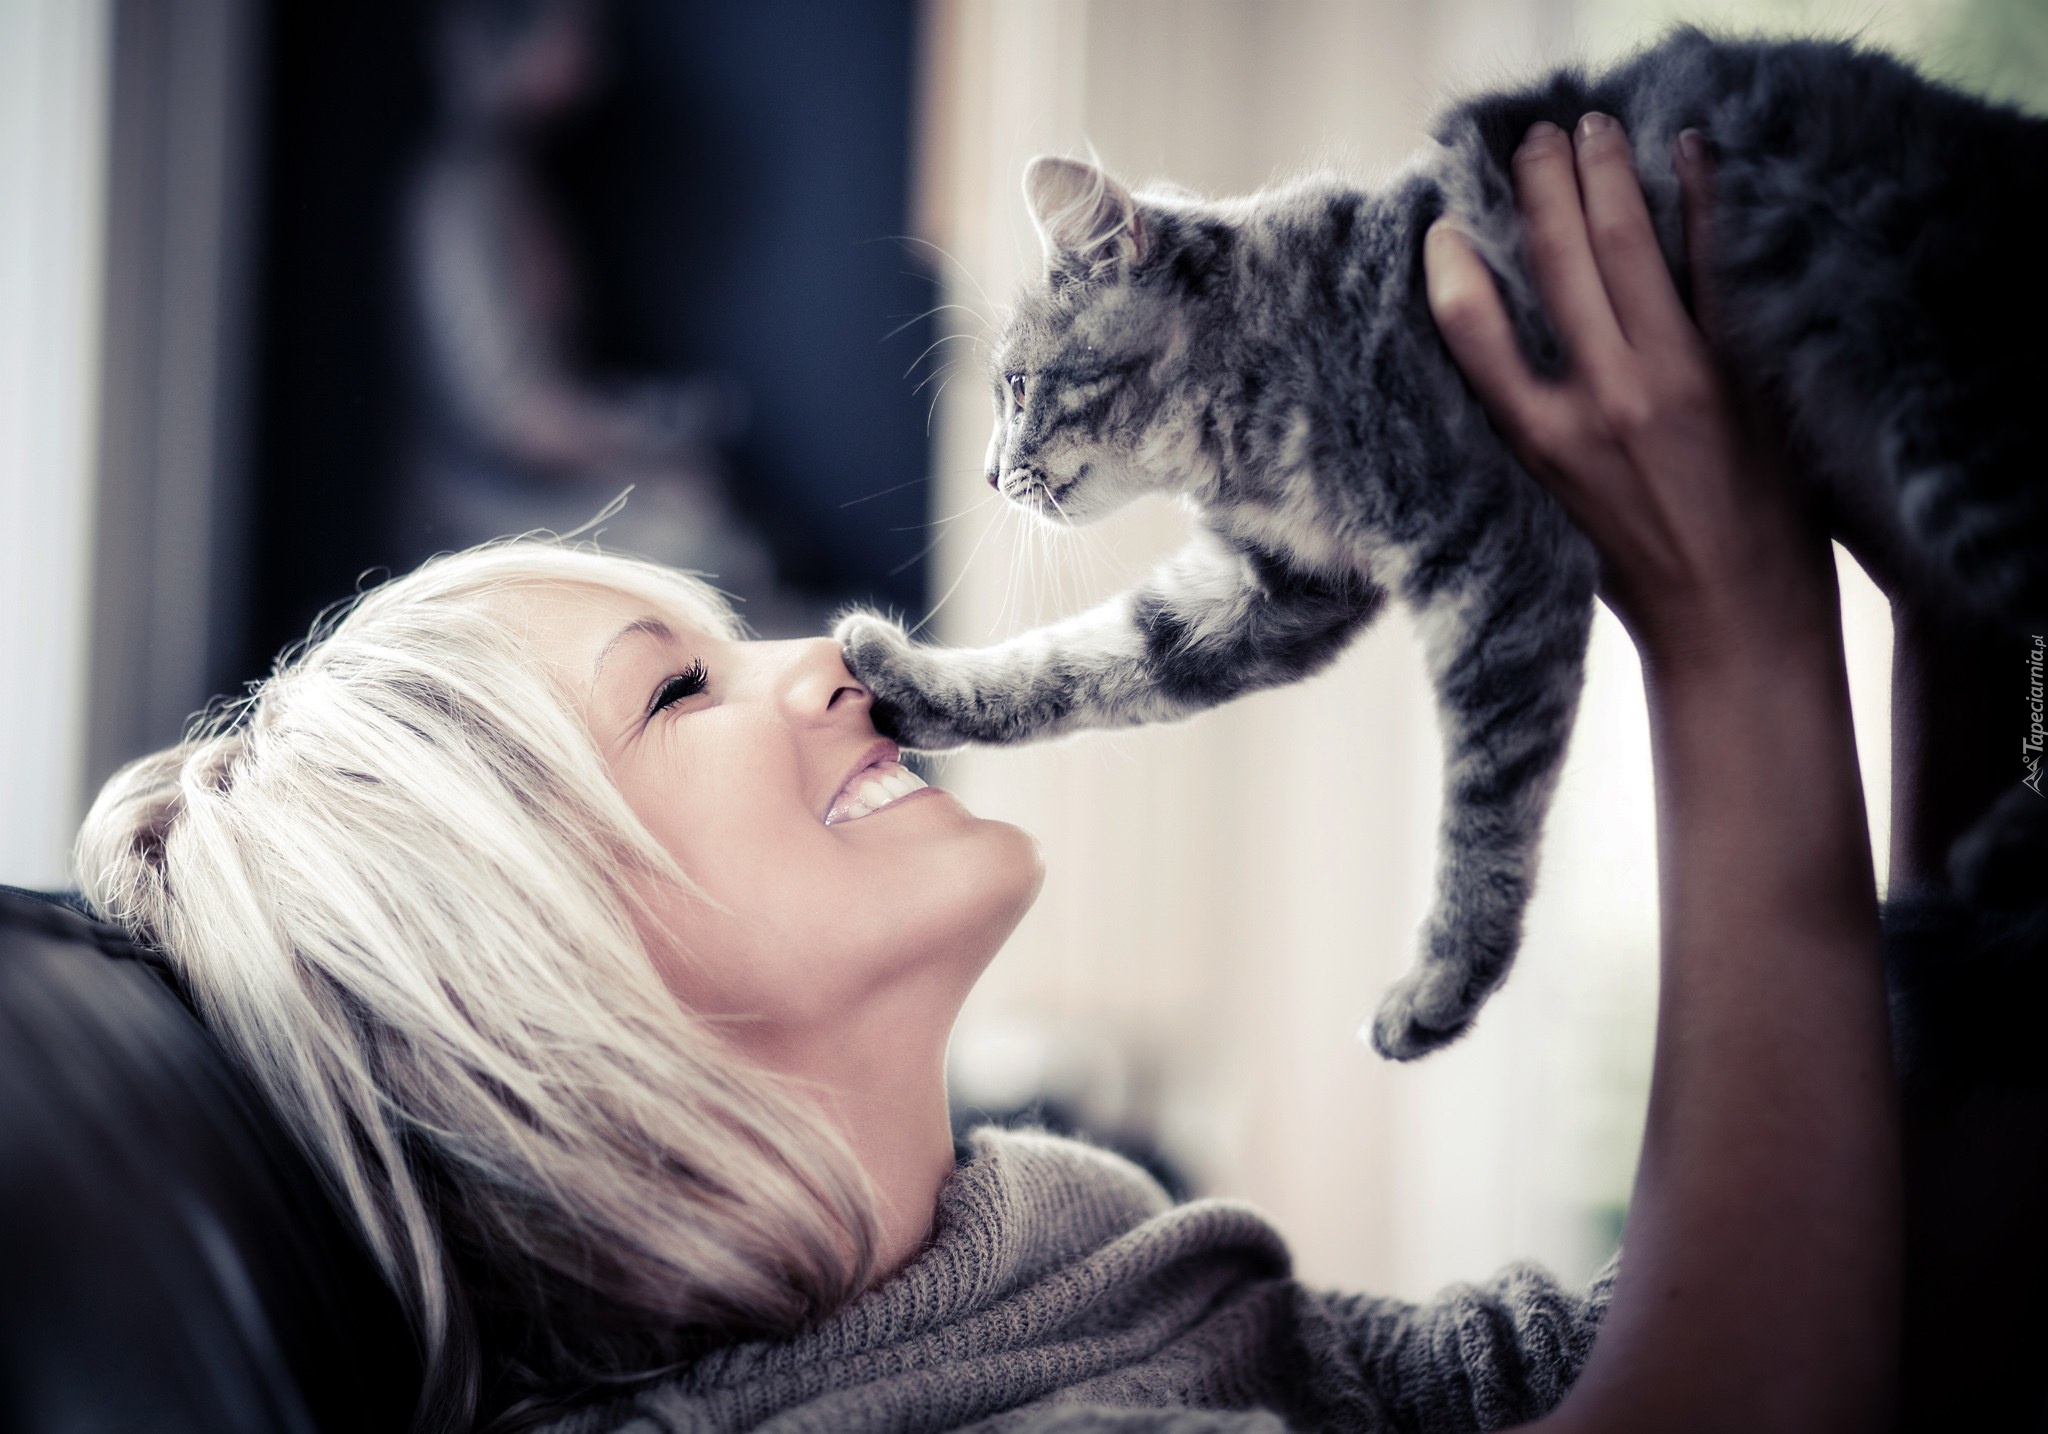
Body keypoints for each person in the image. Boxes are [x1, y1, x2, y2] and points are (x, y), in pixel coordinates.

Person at [75, 117, 1903, 1433]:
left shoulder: (1054, 1252)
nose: (825, 655)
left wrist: (1988, 659)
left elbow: (1785, 1352)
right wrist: (1734, 635)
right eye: (680, 691)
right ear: (537, 981)